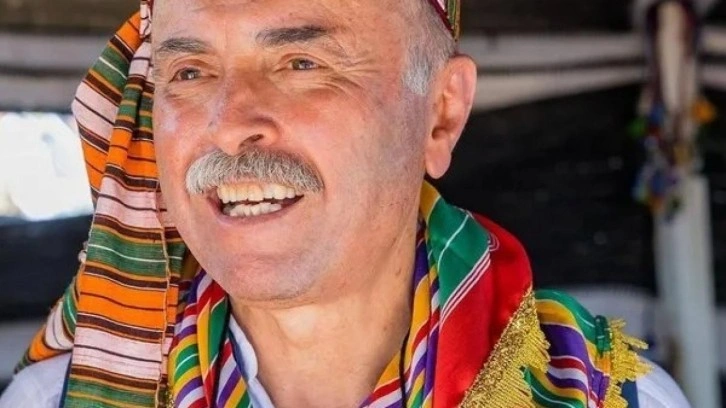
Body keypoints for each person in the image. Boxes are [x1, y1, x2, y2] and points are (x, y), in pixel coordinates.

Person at [1, 0, 692, 406]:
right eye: (189, 71)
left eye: (301, 64)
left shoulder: (608, 397)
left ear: (441, 115)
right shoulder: (60, 399)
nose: (228, 122)